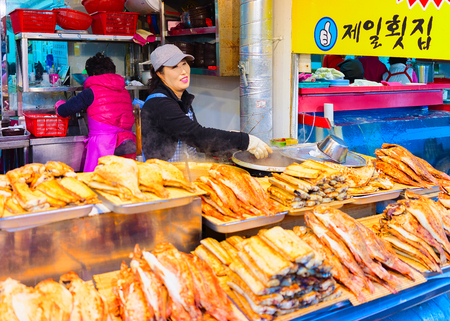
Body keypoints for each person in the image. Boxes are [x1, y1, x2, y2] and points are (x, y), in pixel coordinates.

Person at [141, 44, 272, 161]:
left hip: (186, 173)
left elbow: (198, 143)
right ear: (160, 73)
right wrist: (245, 141)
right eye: (174, 67)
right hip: (164, 178)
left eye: (184, 63)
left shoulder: (181, 98)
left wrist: (229, 142)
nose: (183, 71)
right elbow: (196, 135)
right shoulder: (160, 103)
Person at [55, 53, 136, 171]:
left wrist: (59, 104)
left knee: (98, 184)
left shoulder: (91, 91)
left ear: (92, 74)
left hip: (104, 146)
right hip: (127, 144)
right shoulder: (124, 91)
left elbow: (64, 110)